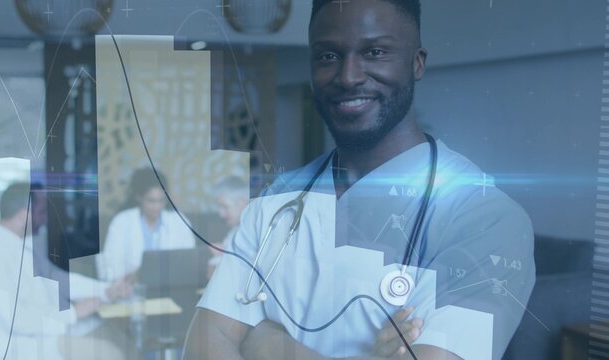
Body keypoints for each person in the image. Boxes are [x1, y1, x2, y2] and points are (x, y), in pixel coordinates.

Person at [183, 1, 535, 360]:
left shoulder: (485, 218)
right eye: (328, 56)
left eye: (375, 52)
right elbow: (201, 350)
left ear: (417, 63)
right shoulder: (279, 199)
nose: (349, 76)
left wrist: (268, 343)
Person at [0, 183, 129, 360]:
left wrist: (106, 290)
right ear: (22, 215)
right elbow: (16, 320)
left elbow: (58, 279)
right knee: (110, 353)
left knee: (116, 335)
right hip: (22, 347)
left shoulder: (17, 247)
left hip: (44, 333)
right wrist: (73, 313)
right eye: (42, 212)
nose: (46, 219)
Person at [96, 168, 196, 282]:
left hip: (172, 287)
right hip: (133, 290)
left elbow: (189, 263)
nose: (157, 207)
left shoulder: (179, 222)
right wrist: (130, 278)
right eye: (151, 201)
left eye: (161, 200)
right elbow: (108, 267)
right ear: (139, 197)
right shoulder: (122, 222)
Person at [207, 176, 250, 278]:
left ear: (242, 202)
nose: (221, 214)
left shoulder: (253, 232)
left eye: (225, 207)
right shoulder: (234, 231)